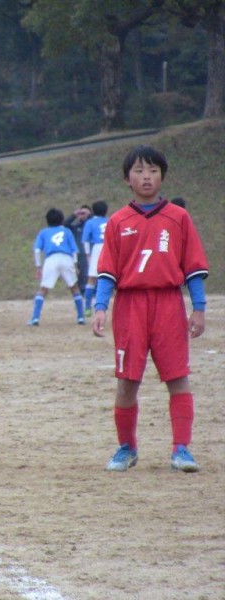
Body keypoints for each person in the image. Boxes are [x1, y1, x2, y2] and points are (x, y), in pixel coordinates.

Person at [92, 145, 208, 473]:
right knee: (128, 380)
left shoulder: (178, 217)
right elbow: (107, 271)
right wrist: (100, 307)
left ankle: (181, 449)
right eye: (139, 171)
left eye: (153, 171)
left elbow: (193, 268)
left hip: (169, 303)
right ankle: (127, 448)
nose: (147, 177)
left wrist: (199, 307)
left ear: (162, 176)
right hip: (130, 305)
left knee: (178, 376)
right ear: (127, 178)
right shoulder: (118, 221)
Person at [27, 208, 86, 326]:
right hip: (66, 259)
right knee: (74, 287)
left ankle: (35, 318)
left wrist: (38, 266)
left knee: (43, 289)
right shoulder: (67, 231)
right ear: (61, 219)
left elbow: (37, 250)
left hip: (51, 260)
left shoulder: (43, 232)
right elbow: (74, 250)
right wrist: (75, 265)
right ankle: (80, 317)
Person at [81, 201, 108, 317]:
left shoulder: (90, 222)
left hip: (97, 248)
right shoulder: (110, 220)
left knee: (92, 278)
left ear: (93, 211)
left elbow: (85, 240)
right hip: (109, 247)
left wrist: (87, 254)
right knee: (111, 278)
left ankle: (87, 307)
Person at [64, 204, 91, 291]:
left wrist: (90, 215)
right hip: (78, 255)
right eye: (81, 213)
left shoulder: (91, 225)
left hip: (89, 254)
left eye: (84, 213)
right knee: (79, 276)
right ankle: (82, 292)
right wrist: (73, 215)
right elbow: (64, 225)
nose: (82, 215)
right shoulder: (76, 227)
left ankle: (91, 293)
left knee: (89, 275)